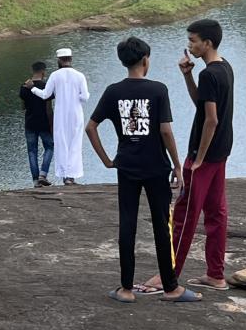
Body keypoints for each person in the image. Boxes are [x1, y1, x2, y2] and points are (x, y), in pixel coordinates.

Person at [86, 36, 201, 304]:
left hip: (126, 166)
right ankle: (171, 288)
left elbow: (90, 126)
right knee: (162, 225)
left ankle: (125, 289)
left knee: (127, 224)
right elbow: (164, 130)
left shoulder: (114, 91)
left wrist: (106, 159)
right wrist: (177, 165)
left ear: (123, 61)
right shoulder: (158, 90)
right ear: (146, 60)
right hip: (155, 167)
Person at [141, 19, 235, 293]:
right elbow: (202, 106)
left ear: (208, 42)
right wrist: (187, 76)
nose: (190, 45)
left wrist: (198, 159)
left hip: (205, 155)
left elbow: (211, 121)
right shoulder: (223, 68)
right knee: (216, 213)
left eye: (193, 40)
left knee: (184, 215)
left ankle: (168, 276)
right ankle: (216, 275)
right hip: (221, 152)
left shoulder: (210, 74)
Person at [29, 48, 89, 184]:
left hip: (61, 115)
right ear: (71, 59)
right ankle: (71, 177)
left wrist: (32, 88)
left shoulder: (55, 76)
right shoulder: (80, 76)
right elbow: (85, 97)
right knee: (75, 144)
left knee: (61, 144)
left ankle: (64, 175)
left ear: (59, 60)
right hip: (76, 114)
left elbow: (45, 95)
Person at [20, 61, 54, 187]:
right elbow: (48, 108)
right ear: (43, 72)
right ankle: (43, 174)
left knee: (32, 151)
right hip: (44, 122)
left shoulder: (24, 87)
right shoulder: (46, 86)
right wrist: (51, 124)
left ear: (32, 71)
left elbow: (23, 107)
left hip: (30, 123)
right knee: (50, 147)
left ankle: (35, 181)